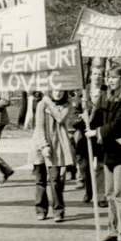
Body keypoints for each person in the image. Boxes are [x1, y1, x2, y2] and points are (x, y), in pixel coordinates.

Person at [87, 66, 121, 241]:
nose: (109, 80)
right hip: (108, 150)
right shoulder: (106, 98)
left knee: (120, 193)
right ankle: (114, 230)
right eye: (108, 77)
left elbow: (120, 124)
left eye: (113, 77)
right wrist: (83, 118)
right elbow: (98, 118)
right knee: (109, 194)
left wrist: (96, 132)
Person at [32, 90, 76, 222]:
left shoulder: (67, 105)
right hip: (40, 144)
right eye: (55, 90)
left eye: (61, 90)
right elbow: (39, 126)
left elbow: (60, 118)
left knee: (55, 179)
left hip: (56, 145)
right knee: (40, 180)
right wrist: (43, 145)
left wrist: (49, 102)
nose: (58, 93)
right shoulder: (41, 104)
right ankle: (41, 209)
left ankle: (58, 210)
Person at [81, 61, 108, 207]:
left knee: (100, 164)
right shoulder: (83, 91)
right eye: (95, 74)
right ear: (90, 76)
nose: (97, 77)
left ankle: (101, 196)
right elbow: (75, 109)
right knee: (85, 165)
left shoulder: (107, 91)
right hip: (85, 133)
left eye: (100, 74)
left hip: (99, 132)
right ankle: (89, 190)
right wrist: (80, 112)